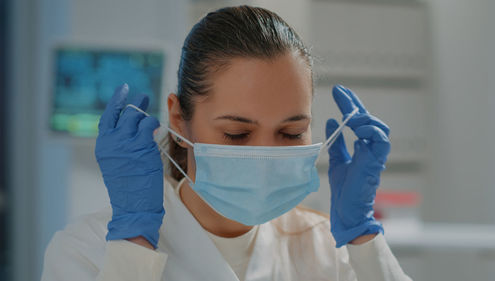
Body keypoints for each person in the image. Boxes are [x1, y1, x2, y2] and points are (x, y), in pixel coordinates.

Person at [41, 5, 412, 281]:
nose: (265, 155)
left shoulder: (323, 249)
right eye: (237, 134)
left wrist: (363, 237)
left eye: (290, 132)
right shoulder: (85, 250)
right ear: (178, 117)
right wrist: (134, 246)